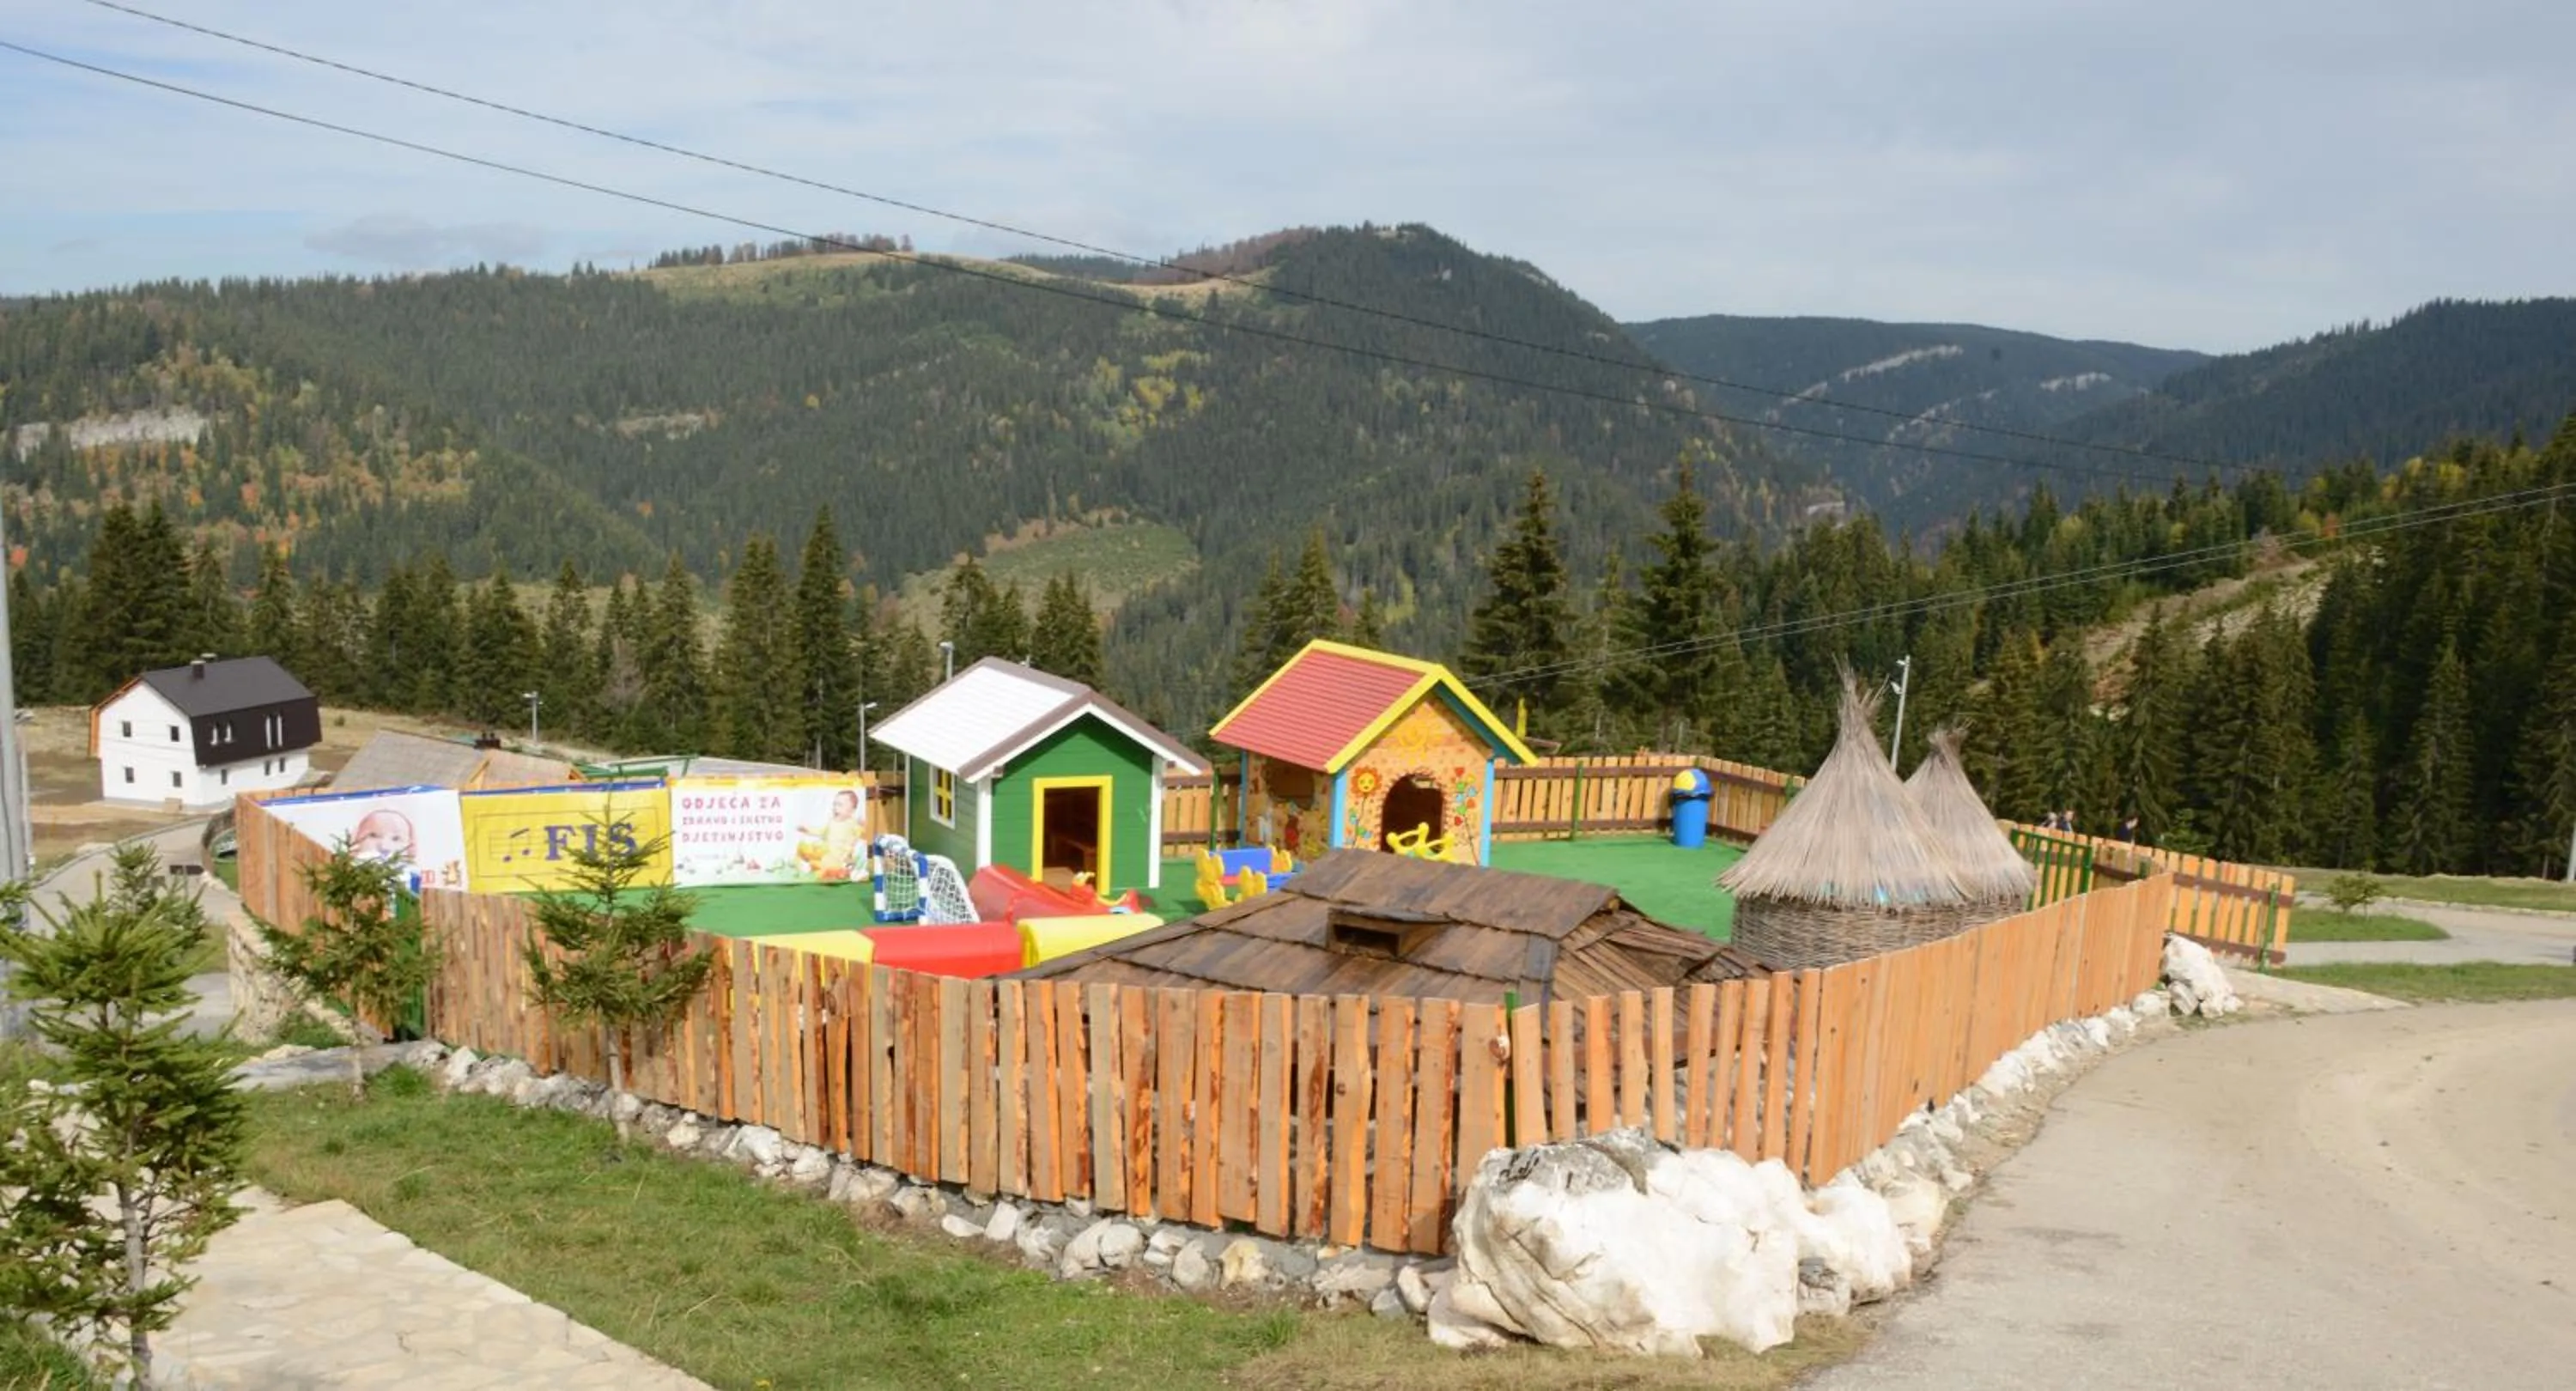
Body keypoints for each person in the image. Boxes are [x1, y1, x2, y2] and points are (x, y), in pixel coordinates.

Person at [795, 787, 866, 882]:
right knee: (822, 860)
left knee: (837, 867)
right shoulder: (831, 822)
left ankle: (852, 873)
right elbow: (822, 832)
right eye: (834, 804)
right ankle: (811, 866)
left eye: (840, 805)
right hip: (829, 855)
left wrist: (862, 825)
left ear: (852, 810)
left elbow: (860, 834)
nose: (835, 807)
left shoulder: (852, 823)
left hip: (843, 858)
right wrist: (807, 830)